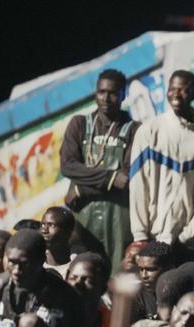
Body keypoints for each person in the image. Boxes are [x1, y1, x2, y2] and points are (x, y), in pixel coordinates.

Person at [129, 70, 194, 254]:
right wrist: (140, 235)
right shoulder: (150, 130)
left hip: (188, 244)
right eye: (172, 89)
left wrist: (190, 235)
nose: (176, 94)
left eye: (183, 90)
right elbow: (138, 184)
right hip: (152, 236)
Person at [60, 69, 138, 271]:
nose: (106, 98)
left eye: (113, 93)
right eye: (101, 92)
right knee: (82, 274)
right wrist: (112, 177)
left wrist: (81, 190)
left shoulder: (134, 129)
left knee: (116, 276)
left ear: (123, 94)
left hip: (119, 219)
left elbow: (128, 179)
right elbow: (68, 166)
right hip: (83, 217)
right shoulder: (79, 124)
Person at [133, 241, 174, 321]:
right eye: (141, 269)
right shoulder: (137, 296)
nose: (144, 275)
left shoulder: (181, 293)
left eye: (150, 269)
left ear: (169, 269)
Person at [40, 207, 76, 278]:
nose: (44, 230)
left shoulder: (79, 266)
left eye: (52, 225)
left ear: (68, 231)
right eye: (42, 225)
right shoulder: (37, 269)